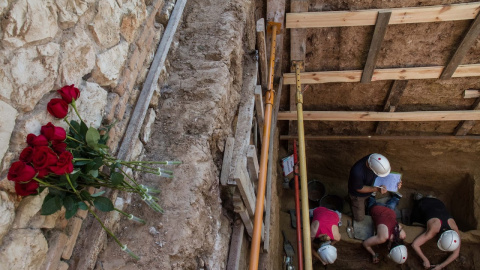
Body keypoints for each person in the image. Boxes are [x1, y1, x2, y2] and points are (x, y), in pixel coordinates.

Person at [411, 195, 461, 270]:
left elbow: (456, 254)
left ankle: (431, 197)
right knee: (414, 222)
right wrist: (425, 260)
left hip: (439, 202)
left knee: (433, 211)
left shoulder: (455, 232)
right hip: (424, 203)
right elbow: (415, 244)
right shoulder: (433, 229)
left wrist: (440, 266)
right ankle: (419, 199)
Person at [349, 153, 400, 222]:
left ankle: (370, 198)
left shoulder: (375, 159)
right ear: (371, 168)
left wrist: (396, 181)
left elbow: (384, 172)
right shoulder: (357, 172)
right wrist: (376, 189)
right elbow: (359, 188)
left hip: (369, 187)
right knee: (359, 218)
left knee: (368, 203)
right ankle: (352, 200)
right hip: (358, 195)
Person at [362, 194, 408, 264]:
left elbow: (397, 226)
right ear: (390, 248)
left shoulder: (403, 235)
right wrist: (374, 254)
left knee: (390, 207)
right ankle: (372, 197)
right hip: (376, 208)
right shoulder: (383, 238)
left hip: (390, 211)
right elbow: (365, 244)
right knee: (369, 209)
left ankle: (396, 198)